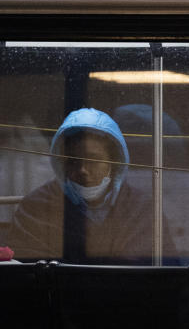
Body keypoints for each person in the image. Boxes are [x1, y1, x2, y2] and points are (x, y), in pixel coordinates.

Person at [5, 107, 177, 265]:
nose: (83, 170)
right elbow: (25, 277)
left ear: (114, 162)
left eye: (92, 160)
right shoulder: (36, 207)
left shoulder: (142, 209)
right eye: (73, 161)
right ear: (61, 164)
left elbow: (167, 277)